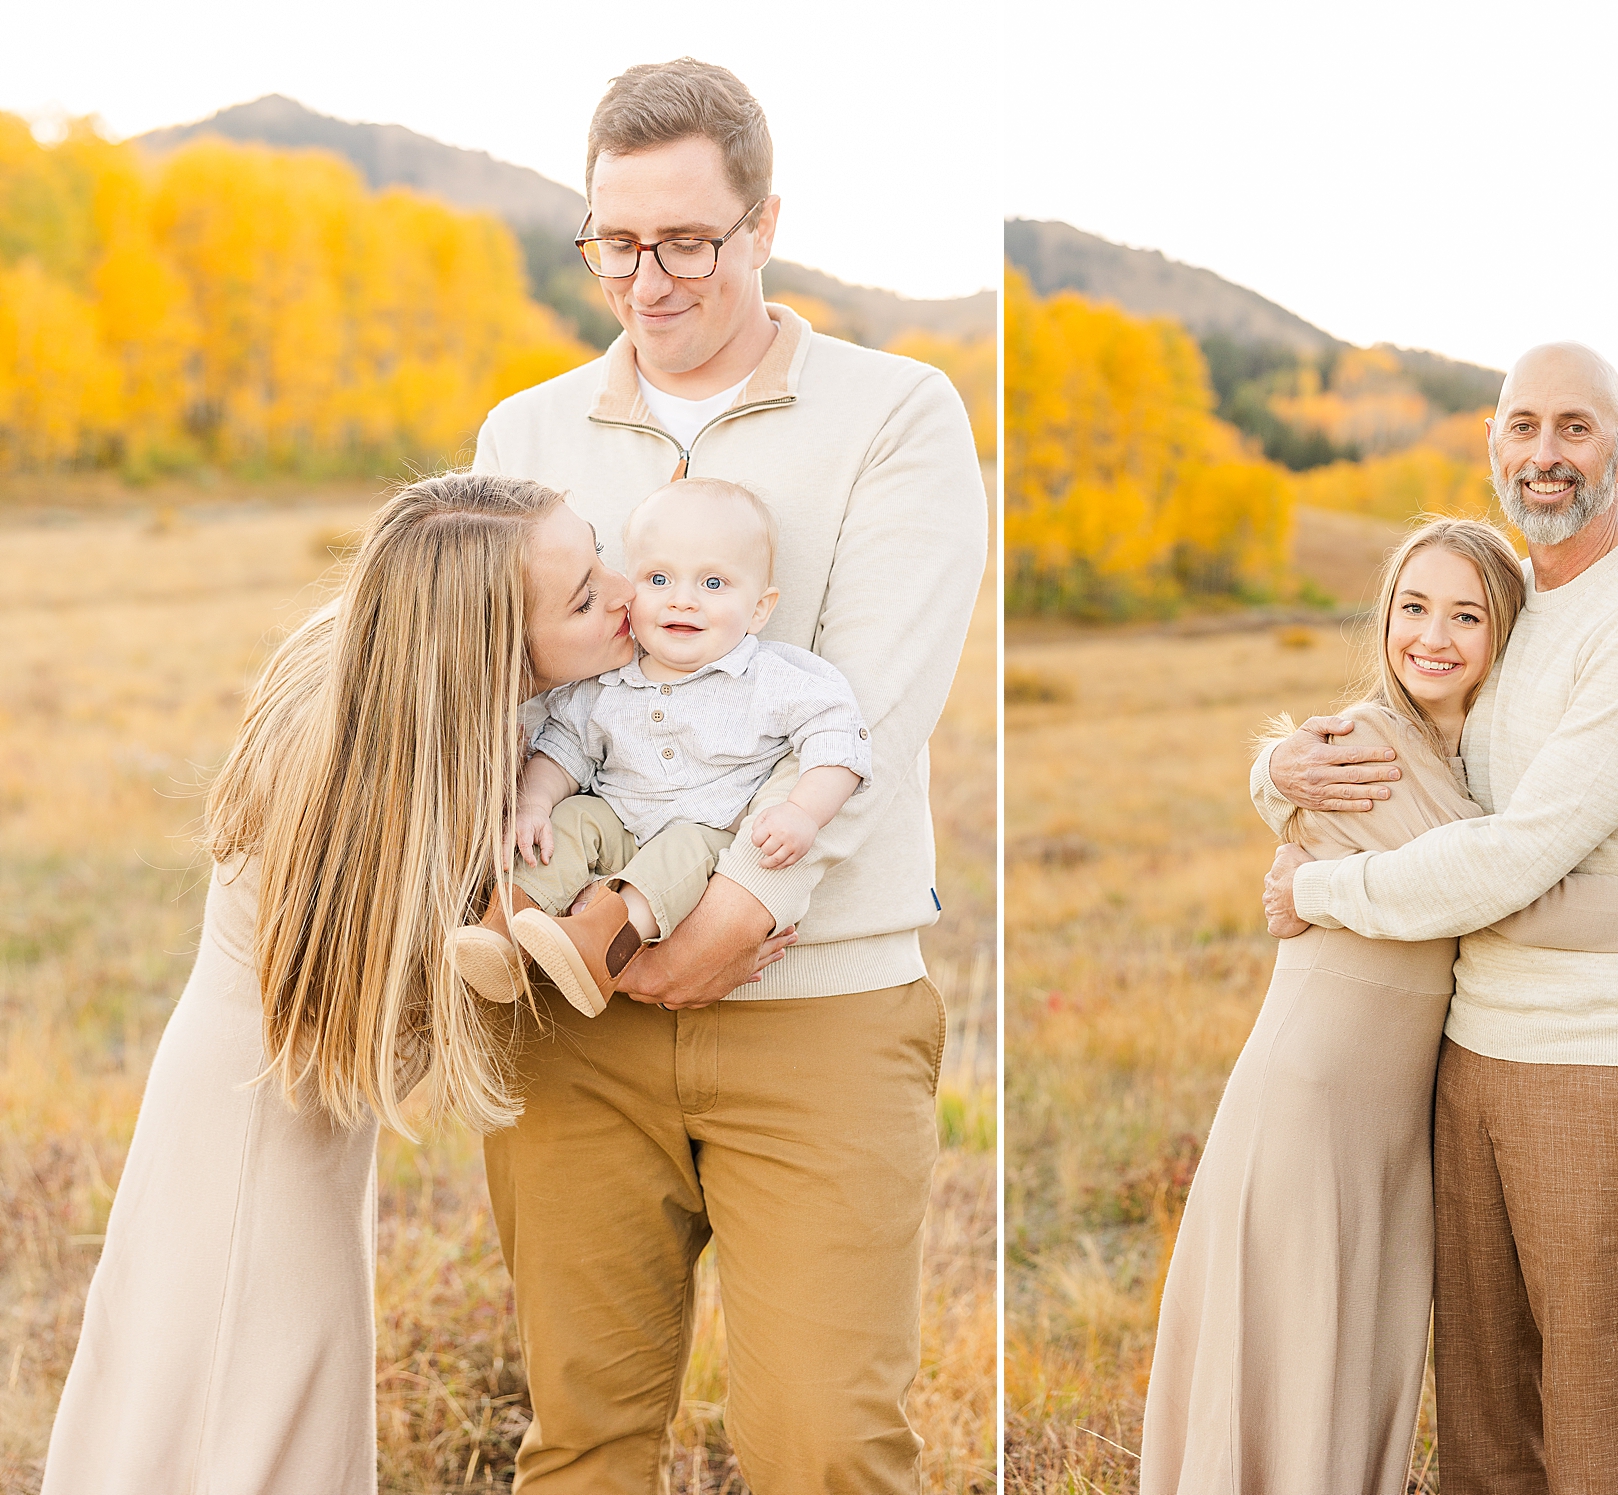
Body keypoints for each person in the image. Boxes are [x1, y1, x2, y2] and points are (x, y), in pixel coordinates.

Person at [470, 58, 987, 1493]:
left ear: (764, 225)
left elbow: (872, 703)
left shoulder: (899, 412)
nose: (648, 279)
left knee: (828, 1446)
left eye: (686, 239)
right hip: (571, 1023)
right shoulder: (525, 435)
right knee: (580, 1440)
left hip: (818, 1003)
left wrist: (746, 902)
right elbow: (490, 692)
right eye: (616, 244)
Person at [38, 473, 743, 1494]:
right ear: (489, 650)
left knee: (188, 1391)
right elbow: (398, 996)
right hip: (264, 1130)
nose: (625, 591)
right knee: (246, 1395)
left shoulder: (394, 665)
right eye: (584, 597)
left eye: (597, 556)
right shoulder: (394, 777)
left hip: (261, 1097)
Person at [1139, 518, 1618, 1494]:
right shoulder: (1363, 747)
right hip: (1315, 1102)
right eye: (1411, 608)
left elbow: (1536, 849)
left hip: (1391, 1114)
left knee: (1353, 1380)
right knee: (1296, 1375)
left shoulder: (1477, 761)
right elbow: (1520, 895)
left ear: (1508, 631)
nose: (1431, 635)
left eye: (1466, 614)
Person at [1261, 343, 1618, 1494]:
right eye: (1522, 426)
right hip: (1471, 1049)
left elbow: (1517, 851)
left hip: (1596, 1056)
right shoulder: (1515, 603)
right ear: (1491, 447)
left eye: (1574, 428)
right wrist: (1277, 770)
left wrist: (1315, 890)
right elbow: (1400, 737)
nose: (1545, 452)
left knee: (1590, 1425)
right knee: (1485, 1427)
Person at [447, 477, 869, 1017]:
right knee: (571, 818)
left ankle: (599, 944)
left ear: (759, 610)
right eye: (659, 578)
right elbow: (564, 749)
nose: (683, 600)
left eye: (713, 583)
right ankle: (504, 930)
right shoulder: (607, 679)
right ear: (631, 586)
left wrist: (802, 812)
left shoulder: (771, 680)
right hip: (618, 818)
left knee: (679, 853)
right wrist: (534, 802)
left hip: (701, 833)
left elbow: (839, 739)